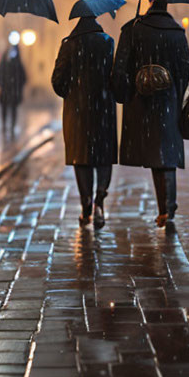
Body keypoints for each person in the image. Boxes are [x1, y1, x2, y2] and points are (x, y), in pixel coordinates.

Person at [112, 0, 189, 228]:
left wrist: (125, 93)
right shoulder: (177, 32)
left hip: (142, 103)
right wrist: (176, 92)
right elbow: (187, 69)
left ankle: (166, 208)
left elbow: (120, 69)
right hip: (169, 101)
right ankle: (167, 207)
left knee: (155, 155)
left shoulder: (133, 30)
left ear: (148, 2)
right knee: (165, 155)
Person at [51, 15, 117, 229]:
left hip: (77, 112)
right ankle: (99, 200)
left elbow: (57, 81)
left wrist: (71, 93)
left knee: (82, 158)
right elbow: (114, 76)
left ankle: (86, 203)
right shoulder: (107, 42)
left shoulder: (69, 44)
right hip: (103, 109)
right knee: (103, 157)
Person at [0, 43, 26, 140]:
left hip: (9, 91)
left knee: (9, 110)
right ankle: (7, 127)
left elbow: (23, 78)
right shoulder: (11, 64)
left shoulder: (8, 64)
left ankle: (9, 127)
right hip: (9, 91)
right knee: (9, 110)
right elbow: (23, 78)